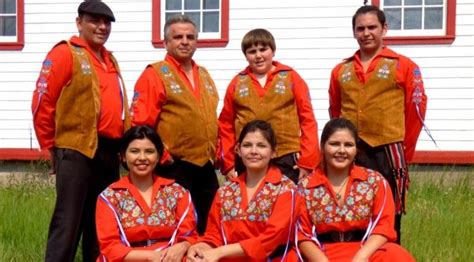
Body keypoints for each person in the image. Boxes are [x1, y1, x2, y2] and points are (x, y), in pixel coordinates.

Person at [31, 1, 130, 261]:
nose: (102, 27)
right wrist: (50, 146)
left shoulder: (109, 58)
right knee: (68, 220)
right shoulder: (66, 53)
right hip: (75, 147)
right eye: (94, 21)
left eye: (106, 23)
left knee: (100, 221)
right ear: (79, 23)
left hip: (108, 150)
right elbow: (43, 100)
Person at [328, 5, 428, 242]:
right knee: (350, 213)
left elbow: (415, 112)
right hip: (351, 152)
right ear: (354, 32)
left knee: (388, 216)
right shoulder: (340, 70)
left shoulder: (404, 65)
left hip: (388, 151)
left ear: (384, 28)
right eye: (360, 28)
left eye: (372, 27)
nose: (366, 33)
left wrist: (405, 151)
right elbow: (335, 112)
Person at [130, 14, 219, 235]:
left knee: (210, 226)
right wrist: (162, 157)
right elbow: (141, 124)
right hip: (174, 165)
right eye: (178, 36)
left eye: (190, 36)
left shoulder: (204, 74)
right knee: (177, 227)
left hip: (205, 165)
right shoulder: (155, 74)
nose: (185, 41)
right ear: (165, 42)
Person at [296, 118, 415, 261]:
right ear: (322, 146)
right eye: (334, 144)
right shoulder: (305, 187)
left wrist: (361, 257)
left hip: (364, 251)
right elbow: (301, 234)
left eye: (348, 145)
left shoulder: (374, 182)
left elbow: (383, 226)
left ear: (356, 149)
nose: (341, 150)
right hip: (321, 254)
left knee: (395, 253)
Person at [187, 120, 299, 262]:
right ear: (238, 150)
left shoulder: (286, 189)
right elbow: (213, 234)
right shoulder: (226, 191)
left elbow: (272, 238)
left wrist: (220, 252)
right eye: (247, 145)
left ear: (273, 152)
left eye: (261, 146)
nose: (253, 151)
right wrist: (201, 248)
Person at [219, 28, 320, 184]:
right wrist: (228, 163)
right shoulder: (237, 83)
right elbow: (225, 125)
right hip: (248, 158)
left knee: (286, 204)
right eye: (252, 51)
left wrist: (307, 160)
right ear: (246, 56)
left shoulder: (291, 77)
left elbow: (307, 119)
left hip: (285, 157)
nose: (258, 55)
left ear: (272, 51)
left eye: (263, 49)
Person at [96, 125, 197, 261]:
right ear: (123, 157)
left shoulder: (177, 192)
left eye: (149, 151)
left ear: (158, 156)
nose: (142, 157)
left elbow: (190, 234)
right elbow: (110, 246)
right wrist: (151, 257)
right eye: (134, 151)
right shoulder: (110, 196)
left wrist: (183, 246)